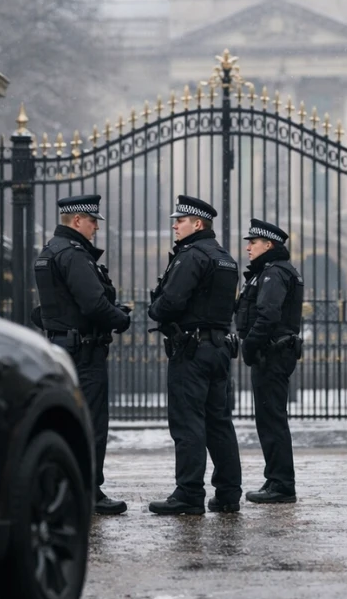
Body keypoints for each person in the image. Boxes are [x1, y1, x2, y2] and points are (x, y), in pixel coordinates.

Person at [33, 194, 132, 515]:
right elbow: (92, 304)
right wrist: (121, 318)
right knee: (91, 423)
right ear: (77, 220)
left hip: (62, 348)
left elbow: (48, 310)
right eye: (92, 222)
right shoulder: (75, 255)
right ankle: (89, 490)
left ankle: (63, 486)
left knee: (66, 421)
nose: (95, 229)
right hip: (84, 353)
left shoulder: (49, 252)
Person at [147, 195, 243, 515]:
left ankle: (189, 493)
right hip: (217, 348)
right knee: (218, 422)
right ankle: (228, 492)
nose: (175, 225)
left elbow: (171, 301)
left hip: (191, 349)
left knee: (188, 422)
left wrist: (155, 309)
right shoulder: (225, 257)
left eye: (181, 221)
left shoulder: (191, 255)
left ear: (198, 223)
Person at [236, 218, 304, 505]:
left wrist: (250, 346)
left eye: (253, 242)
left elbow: (268, 315)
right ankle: (276, 478)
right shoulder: (273, 271)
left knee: (271, 418)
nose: (248, 247)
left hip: (272, 353)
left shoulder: (274, 273)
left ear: (269, 244)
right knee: (271, 417)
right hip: (274, 352)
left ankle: (281, 484)